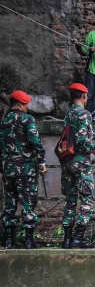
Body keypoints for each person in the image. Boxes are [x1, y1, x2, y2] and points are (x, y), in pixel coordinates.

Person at [61, 83, 95, 249]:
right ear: (84, 96)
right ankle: (79, 238)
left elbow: (84, 135)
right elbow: (83, 141)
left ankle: (67, 239)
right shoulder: (84, 114)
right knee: (86, 200)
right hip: (81, 164)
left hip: (68, 162)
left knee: (70, 200)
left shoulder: (69, 114)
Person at [0, 91, 47, 249]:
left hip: (8, 170)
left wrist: (2, 169)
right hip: (26, 169)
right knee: (28, 203)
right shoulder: (27, 119)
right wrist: (41, 161)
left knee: (9, 203)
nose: (27, 107)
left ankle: (8, 240)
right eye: (26, 104)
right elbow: (36, 142)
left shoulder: (4, 121)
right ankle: (28, 241)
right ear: (19, 104)